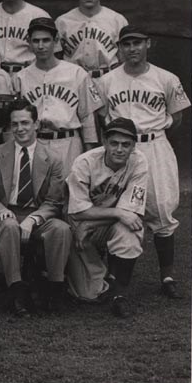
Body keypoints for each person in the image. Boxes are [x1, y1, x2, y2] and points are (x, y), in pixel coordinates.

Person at [96, 25, 192, 298]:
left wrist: (155, 135)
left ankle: (167, 276)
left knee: (161, 207)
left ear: (148, 43)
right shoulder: (107, 80)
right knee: (119, 207)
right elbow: (103, 116)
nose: (132, 49)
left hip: (154, 145)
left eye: (137, 43)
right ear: (119, 47)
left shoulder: (166, 78)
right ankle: (114, 278)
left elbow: (177, 118)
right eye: (126, 44)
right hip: (121, 149)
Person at [0, 99, 71, 315]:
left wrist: (34, 219)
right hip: (7, 210)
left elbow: (54, 201)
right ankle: (16, 289)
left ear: (36, 125)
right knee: (10, 225)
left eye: (25, 123)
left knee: (61, 229)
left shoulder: (53, 158)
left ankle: (54, 288)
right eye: (15, 124)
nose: (20, 129)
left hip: (38, 214)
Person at [65, 117, 149, 318]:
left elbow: (132, 211)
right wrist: (118, 213)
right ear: (104, 142)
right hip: (78, 225)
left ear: (133, 147)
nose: (119, 149)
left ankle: (119, 295)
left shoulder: (139, 162)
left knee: (131, 230)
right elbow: (78, 211)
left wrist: (120, 214)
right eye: (114, 143)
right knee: (89, 294)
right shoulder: (84, 162)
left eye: (126, 145)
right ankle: (92, 274)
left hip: (101, 223)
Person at [13, 16, 103, 172]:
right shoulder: (21, 77)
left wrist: (89, 154)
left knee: (69, 191)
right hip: (35, 142)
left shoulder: (76, 73)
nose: (41, 46)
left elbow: (87, 118)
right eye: (36, 41)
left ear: (56, 41)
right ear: (29, 42)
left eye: (46, 40)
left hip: (68, 142)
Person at [55, 0, 128, 79]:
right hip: (72, 78)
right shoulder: (62, 22)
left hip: (108, 78)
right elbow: (55, 57)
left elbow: (124, 58)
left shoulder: (117, 20)